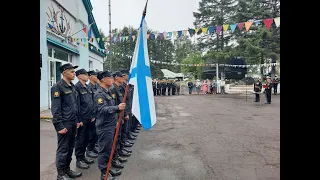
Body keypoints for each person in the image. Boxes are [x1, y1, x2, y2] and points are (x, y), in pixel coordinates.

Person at [50, 63, 82, 180]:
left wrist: (78, 120)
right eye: (72, 72)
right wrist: (59, 126)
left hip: (73, 122)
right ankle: (61, 174)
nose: (74, 74)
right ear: (64, 72)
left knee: (70, 148)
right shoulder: (57, 87)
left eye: (74, 72)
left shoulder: (72, 87)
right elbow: (56, 109)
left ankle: (67, 169)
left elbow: (75, 106)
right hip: (65, 123)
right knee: (63, 149)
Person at [95, 71, 123, 180]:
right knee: (104, 149)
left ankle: (108, 168)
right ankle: (103, 173)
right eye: (109, 77)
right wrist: (117, 108)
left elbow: (110, 108)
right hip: (104, 127)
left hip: (110, 125)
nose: (112, 79)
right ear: (103, 79)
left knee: (109, 148)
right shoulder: (99, 94)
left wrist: (115, 119)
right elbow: (101, 110)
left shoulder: (108, 92)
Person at [74, 69, 95, 169]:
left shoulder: (87, 87)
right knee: (80, 139)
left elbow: (90, 102)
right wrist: (78, 120)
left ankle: (83, 156)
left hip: (89, 117)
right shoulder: (77, 88)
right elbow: (76, 105)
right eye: (85, 75)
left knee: (87, 137)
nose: (87, 76)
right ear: (79, 76)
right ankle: (79, 159)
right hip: (82, 118)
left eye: (87, 74)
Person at [110, 72, 131, 170]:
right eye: (122, 76)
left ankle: (119, 153)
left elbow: (123, 101)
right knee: (115, 138)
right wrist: (118, 118)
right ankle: (114, 158)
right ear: (117, 78)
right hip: (116, 117)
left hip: (121, 115)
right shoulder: (113, 89)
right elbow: (114, 105)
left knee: (120, 135)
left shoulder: (118, 88)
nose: (124, 77)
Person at [86, 70, 100, 156]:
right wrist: (92, 115)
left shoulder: (97, 86)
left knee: (95, 132)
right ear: (91, 77)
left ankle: (94, 147)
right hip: (92, 114)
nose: (97, 77)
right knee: (91, 133)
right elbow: (89, 103)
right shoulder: (88, 87)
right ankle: (89, 149)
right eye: (95, 76)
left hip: (97, 113)